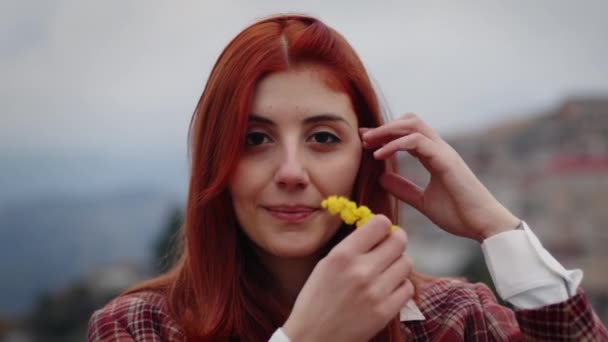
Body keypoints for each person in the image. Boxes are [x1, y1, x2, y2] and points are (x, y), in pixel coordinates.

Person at [87, 14, 608, 341]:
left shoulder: (452, 320)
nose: (292, 173)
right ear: (213, 160)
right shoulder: (139, 329)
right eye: (255, 139)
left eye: (323, 138)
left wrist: (497, 228)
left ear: (366, 156)